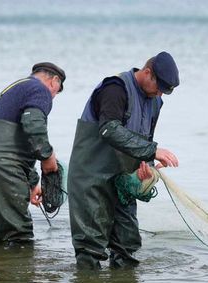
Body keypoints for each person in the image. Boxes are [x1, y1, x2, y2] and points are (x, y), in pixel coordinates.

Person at [68, 51, 180, 269]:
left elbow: (145, 140)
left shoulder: (155, 102)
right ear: (147, 73)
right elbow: (109, 129)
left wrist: (145, 170)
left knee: (127, 245)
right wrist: (152, 151)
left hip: (123, 181)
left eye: (165, 92)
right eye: (159, 88)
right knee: (91, 247)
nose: (160, 95)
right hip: (91, 178)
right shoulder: (115, 88)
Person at [0, 62, 66, 244]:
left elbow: (18, 142)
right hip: (1, 162)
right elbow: (33, 127)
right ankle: (22, 272)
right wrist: (48, 156)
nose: (53, 97)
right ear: (54, 81)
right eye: (56, 92)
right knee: (19, 235)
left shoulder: (14, 89)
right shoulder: (39, 90)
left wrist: (32, 182)